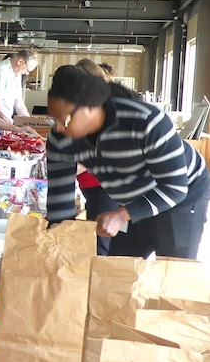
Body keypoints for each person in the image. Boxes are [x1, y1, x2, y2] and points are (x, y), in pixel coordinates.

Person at [47, 65, 208, 259]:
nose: (59, 128)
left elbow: (175, 187)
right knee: (118, 268)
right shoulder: (60, 138)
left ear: (90, 107)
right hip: (132, 200)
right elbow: (59, 201)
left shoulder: (146, 122)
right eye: (54, 119)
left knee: (172, 270)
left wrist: (122, 214)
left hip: (183, 195)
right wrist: (58, 243)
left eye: (66, 119)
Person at [69, 59, 122, 256]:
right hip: (92, 184)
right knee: (96, 236)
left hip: (103, 185)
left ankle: (101, 282)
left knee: (101, 243)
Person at [0, 49, 37, 126]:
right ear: (20, 62)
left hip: (5, 119)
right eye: (27, 70)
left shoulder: (17, 74)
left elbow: (19, 104)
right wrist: (11, 124)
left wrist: (30, 123)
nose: (26, 73)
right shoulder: (1, 70)